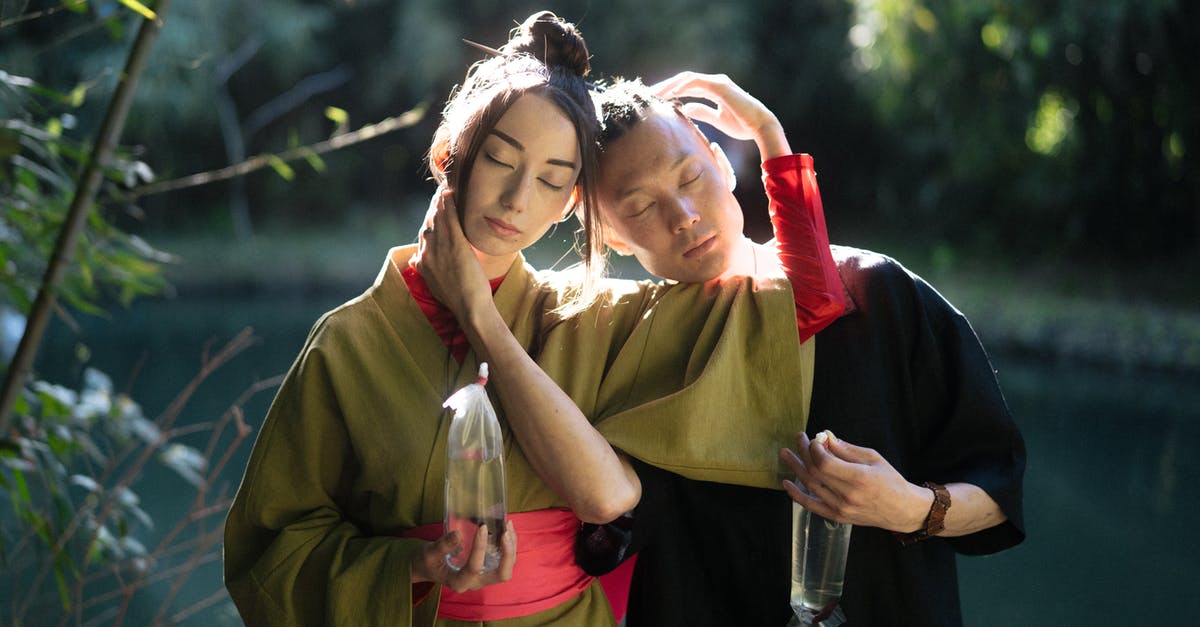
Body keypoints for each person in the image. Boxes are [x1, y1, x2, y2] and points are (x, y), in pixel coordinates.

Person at [224, 13, 640, 626]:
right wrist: (411, 568)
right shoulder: (348, 343)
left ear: (569, 203)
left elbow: (613, 498)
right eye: (501, 159)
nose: (518, 199)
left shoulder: (592, 321)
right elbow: (271, 549)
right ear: (451, 154)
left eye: (553, 181)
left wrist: (478, 313)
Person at [575, 77, 1027, 627]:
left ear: (720, 163)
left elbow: (999, 493)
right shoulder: (629, 353)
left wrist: (907, 507)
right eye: (641, 206)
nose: (684, 214)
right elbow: (604, 531)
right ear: (612, 235)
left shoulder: (877, 295)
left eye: (691, 176)